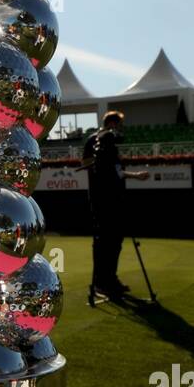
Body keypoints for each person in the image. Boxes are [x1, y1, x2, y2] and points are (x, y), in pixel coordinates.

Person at [82, 110, 149, 300]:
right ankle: (102, 282)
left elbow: (116, 171)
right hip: (102, 198)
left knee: (115, 240)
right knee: (105, 240)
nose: (120, 129)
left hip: (114, 197)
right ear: (112, 123)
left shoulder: (109, 143)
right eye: (118, 124)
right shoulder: (96, 139)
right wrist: (97, 164)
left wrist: (133, 175)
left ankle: (110, 278)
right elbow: (87, 163)